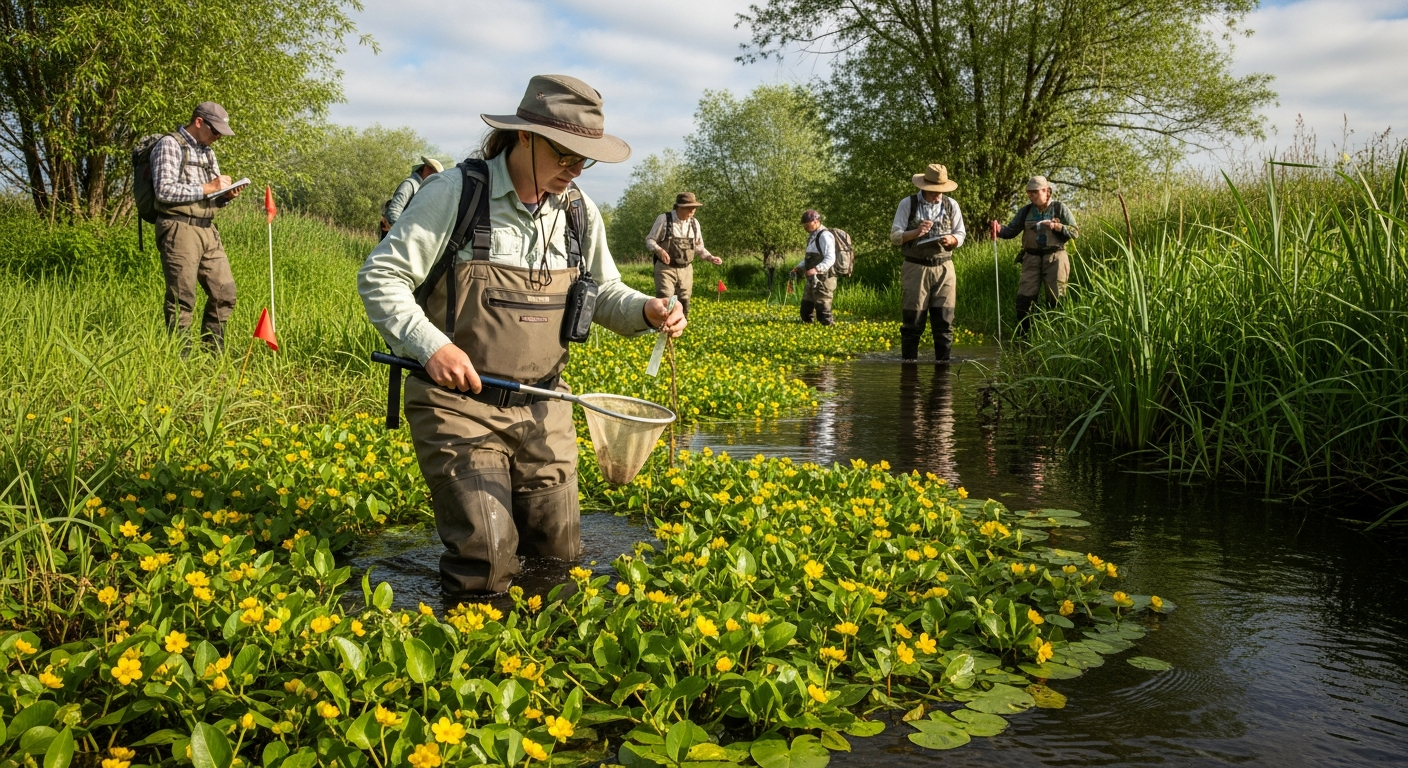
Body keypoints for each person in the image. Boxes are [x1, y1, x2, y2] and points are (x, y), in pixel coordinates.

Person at [359, 74, 686, 596]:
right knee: (486, 558)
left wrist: (646, 309)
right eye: (565, 154)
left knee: (559, 557)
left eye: (585, 159)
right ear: (524, 136)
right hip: (456, 405)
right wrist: (432, 346)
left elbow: (603, 293)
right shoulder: (454, 194)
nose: (576, 169)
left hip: (545, 404)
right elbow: (381, 277)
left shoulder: (579, 212)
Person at [151, 101, 242, 353]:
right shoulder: (169, 145)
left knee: (225, 291)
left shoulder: (208, 152)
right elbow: (164, 190)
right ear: (199, 122)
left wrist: (224, 195)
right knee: (182, 297)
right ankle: (180, 358)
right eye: (216, 131)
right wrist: (208, 187)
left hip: (208, 228)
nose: (218, 137)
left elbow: (212, 195)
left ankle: (212, 354)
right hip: (179, 228)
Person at [891, 164, 966, 362]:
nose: (938, 195)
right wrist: (916, 233)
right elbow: (895, 236)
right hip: (915, 267)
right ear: (924, 187)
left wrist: (953, 240)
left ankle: (943, 367)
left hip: (945, 267)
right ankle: (909, 367)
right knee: (913, 322)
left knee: (944, 321)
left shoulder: (952, 205)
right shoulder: (907, 204)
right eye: (935, 191)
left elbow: (961, 233)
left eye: (942, 191)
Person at [992, 175, 1078, 336]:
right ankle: (1024, 339)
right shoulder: (1026, 211)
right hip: (1030, 258)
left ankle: (1057, 337)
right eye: (1029, 193)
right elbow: (1011, 231)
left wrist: (1057, 226)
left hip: (1055, 257)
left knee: (1056, 299)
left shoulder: (1059, 208)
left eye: (1035, 192)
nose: (1031, 196)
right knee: (1024, 300)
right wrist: (999, 230)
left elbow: (1074, 232)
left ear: (1046, 191)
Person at [646, 192, 720, 317]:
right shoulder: (664, 219)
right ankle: (664, 330)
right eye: (689, 207)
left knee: (684, 301)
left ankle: (680, 330)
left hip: (686, 269)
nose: (693, 210)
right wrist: (659, 250)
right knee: (666, 299)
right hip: (665, 269)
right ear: (679, 207)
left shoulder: (694, 223)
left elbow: (698, 246)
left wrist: (710, 257)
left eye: (694, 207)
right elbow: (649, 240)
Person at [380, 156, 445, 239]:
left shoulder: (419, 187)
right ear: (427, 169)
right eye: (434, 175)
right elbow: (394, 210)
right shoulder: (409, 184)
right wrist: (402, 234)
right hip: (395, 238)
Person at [794, 210, 837, 325]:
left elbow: (830, 257)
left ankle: (829, 332)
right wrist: (798, 268)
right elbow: (809, 258)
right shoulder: (812, 237)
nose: (805, 227)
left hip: (824, 279)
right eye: (804, 225)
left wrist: (817, 269)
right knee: (805, 310)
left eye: (807, 224)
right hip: (811, 279)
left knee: (823, 310)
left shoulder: (825, 235)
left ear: (816, 221)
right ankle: (808, 331)